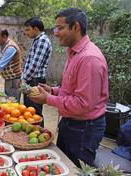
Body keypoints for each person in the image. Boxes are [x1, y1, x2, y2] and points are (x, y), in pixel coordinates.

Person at [29, 8, 109, 167]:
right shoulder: (75, 53)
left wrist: (48, 99)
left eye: (60, 28)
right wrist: (52, 90)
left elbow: (83, 104)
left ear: (76, 27)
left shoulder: (89, 58)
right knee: (62, 165)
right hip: (70, 122)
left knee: (74, 169)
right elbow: (71, 89)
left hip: (84, 128)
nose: (56, 33)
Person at [22, 17, 52, 127]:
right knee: (29, 111)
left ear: (35, 29)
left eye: (28, 29)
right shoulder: (37, 40)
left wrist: (23, 79)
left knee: (35, 112)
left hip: (35, 81)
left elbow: (34, 65)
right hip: (31, 80)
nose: (26, 33)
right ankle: (31, 135)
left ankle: (39, 136)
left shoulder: (42, 40)